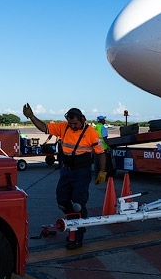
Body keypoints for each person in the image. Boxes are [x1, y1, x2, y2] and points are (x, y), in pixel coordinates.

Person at [23, 103, 107, 249]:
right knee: (62, 201)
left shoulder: (91, 132)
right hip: (66, 170)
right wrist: (31, 116)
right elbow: (44, 128)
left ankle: (77, 235)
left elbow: (101, 153)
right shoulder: (63, 127)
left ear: (82, 119)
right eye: (70, 123)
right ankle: (76, 222)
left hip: (81, 172)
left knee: (78, 204)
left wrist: (102, 171)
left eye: (75, 123)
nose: (73, 126)